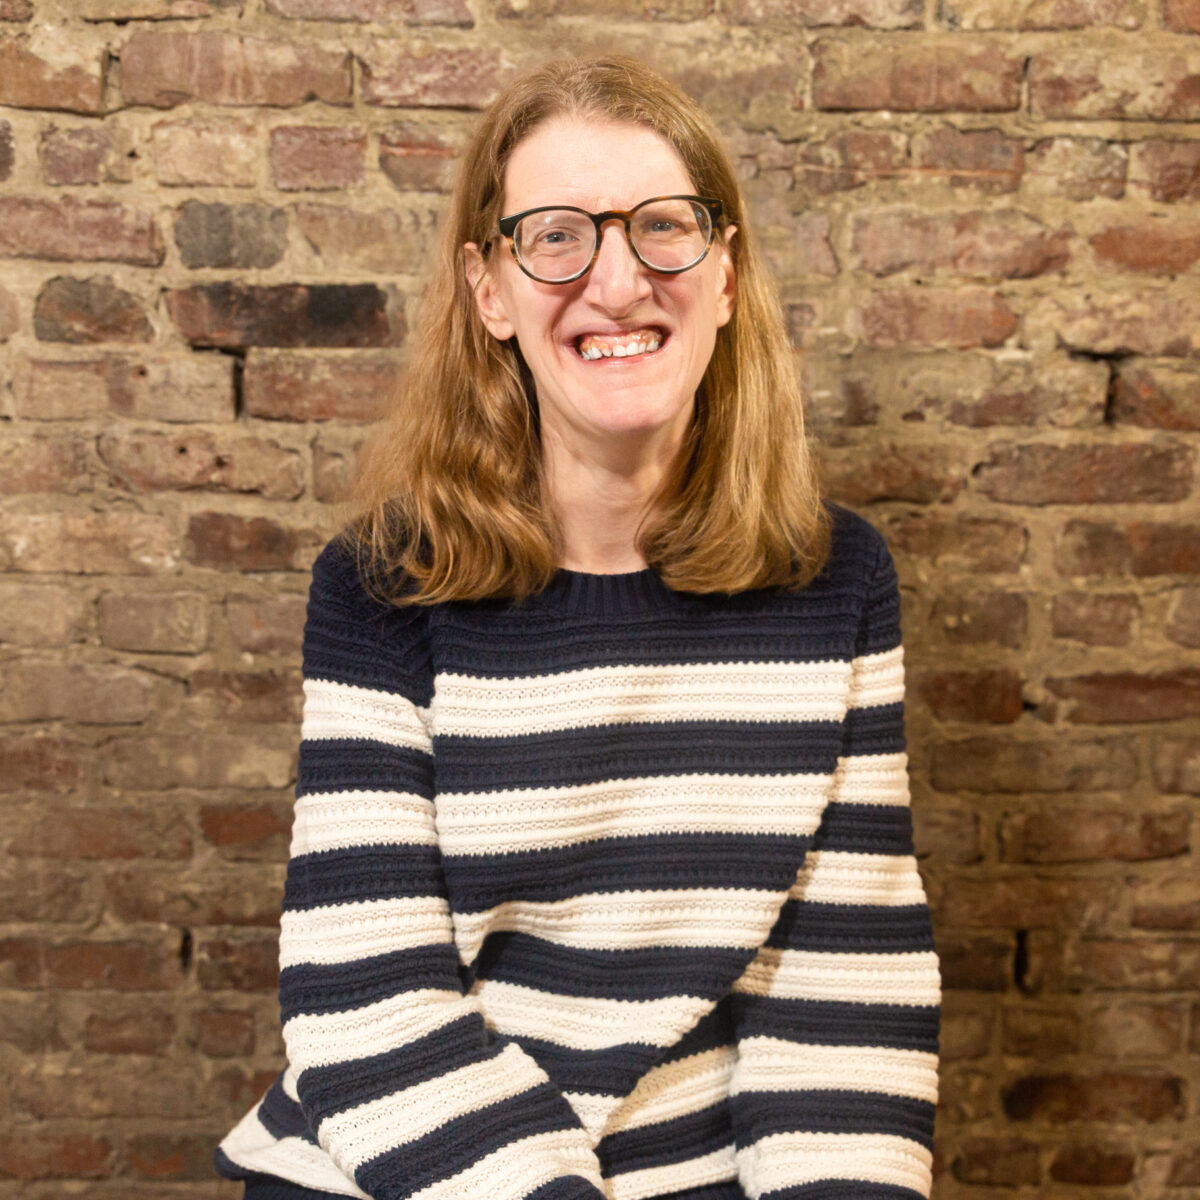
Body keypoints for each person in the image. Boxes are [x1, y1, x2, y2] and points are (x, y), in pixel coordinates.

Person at [216, 54, 940, 1200]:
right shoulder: (380, 588)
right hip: (407, 1164)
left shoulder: (833, 580)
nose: (616, 281)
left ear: (727, 275)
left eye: (663, 228)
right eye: (556, 236)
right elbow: (369, 996)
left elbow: (842, 995)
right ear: (489, 290)